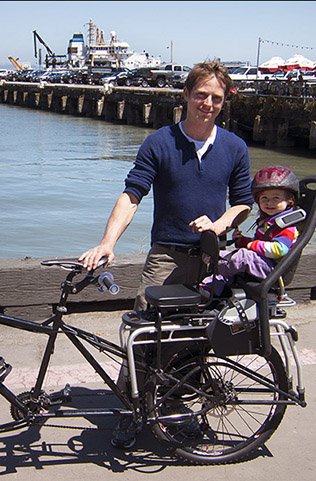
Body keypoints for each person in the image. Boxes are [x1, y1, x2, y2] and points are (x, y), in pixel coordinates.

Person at [79, 60, 254, 448]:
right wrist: (107, 243)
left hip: (212, 260)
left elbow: (244, 203)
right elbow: (132, 194)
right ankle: (134, 411)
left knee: (195, 339)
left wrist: (220, 224)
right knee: (144, 334)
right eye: (201, 95)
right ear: (186, 96)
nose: (207, 103)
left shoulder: (234, 147)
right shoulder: (160, 141)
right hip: (166, 255)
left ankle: (177, 411)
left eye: (216, 98)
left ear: (223, 102)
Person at [201, 165, 300, 297]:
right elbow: (260, 243)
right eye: (264, 198)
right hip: (263, 263)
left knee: (242, 256)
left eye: (276, 198)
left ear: (290, 201)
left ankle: (216, 264)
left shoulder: (287, 227)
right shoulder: (267, 222)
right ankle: (211, 288)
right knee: (231, 259)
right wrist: (243, 241)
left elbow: (279, 249)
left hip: (274, 269)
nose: (269, 203)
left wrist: (251, 245)